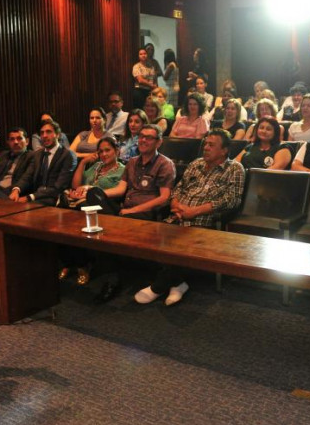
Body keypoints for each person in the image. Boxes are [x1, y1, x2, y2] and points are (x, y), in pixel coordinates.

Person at [135, 129, 245, 306]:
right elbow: (178, 188)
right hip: (177, 216)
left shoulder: (234, 169)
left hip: (203, 220)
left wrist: (195, 211)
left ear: (224, 150)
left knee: (177, 245)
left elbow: (231, 200)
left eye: (211, 145)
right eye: (205, 144)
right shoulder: (196, 164)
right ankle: (178, 284)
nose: (206, 148)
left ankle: (158, 287)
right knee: (149, 241)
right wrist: (175, 205)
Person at [87, 125, 175, 301]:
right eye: (141, 136)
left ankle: (112, 278)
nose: (143, 140)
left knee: (105, 230)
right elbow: (121, 189)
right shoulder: (133, 162)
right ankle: (108, 265)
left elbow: (164, 198)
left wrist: (133, 210)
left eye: (149, 138)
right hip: (124, 210)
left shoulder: (165, 164)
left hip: (145, 213)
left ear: (159, 142)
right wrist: (96, 191)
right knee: (93, 194)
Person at [11, 120, 77, 205]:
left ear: (57, 135)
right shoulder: (37, 154)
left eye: (48, 132)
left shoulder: (68, 155)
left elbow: (59, 187)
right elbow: (27, 176)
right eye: (42, 133)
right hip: (35, 194)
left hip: (55, 198)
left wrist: (30, 197)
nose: (44, 135)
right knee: (7, 200)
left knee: (24, 207)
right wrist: (16, 189)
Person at [63, 136, 125, 208]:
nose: (104, 154)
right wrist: (83, 162)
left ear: (117, 151)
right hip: (83, 199)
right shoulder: (97, 165)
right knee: (64, 196)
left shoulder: (122, 170)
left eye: (107, 150)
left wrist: (89, 191)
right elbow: (75, 186)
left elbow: (117, 192)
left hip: (104, 203)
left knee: (81, 204)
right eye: (101, 151)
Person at [0, 127, 34, 199]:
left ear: (27, 141)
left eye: (19, 138)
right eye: (12, 139)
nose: (16, 142)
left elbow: (26, 178)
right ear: (8, 142)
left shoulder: (32, 156)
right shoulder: (4, 155)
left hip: (13, 192)